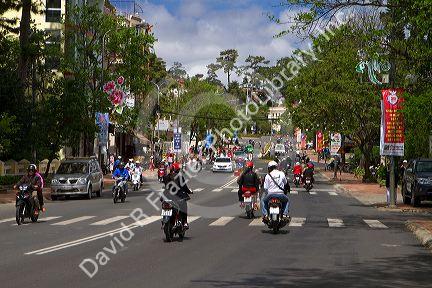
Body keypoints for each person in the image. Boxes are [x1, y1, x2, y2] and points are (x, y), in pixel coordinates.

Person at [162, 162, 193, 228]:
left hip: (167, 196)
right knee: (184, 206)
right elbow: (184, 187)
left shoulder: (166, 177)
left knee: (165, 205)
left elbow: (165, 185)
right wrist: (189, 191)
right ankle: (184, 222)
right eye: (178, 169)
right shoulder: (179, 177)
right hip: (177, 196)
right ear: (177, 169)